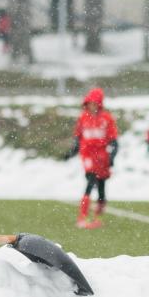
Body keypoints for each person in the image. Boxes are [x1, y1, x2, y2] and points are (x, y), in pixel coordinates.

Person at [63, 88, 118, 229]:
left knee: (101, 184)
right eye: (90, 103)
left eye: (95, 103)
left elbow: (113, 140)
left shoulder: (106, 119)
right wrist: (70, 153)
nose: (92, 106)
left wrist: (112, 156)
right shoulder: (83, 118)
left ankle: (97, 216)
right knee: (91, 179)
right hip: (87, 155)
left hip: (102, 156)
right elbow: (78, 138)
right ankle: (82, 217)